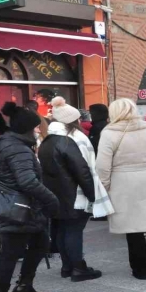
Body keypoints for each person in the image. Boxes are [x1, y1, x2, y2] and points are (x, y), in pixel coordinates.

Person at [0, 107, 59, 292]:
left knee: (41, 242)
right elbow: (27, 182)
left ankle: (24, 285)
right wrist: (51, 200)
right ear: (27, 128)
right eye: (36, 127)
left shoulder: (8, 143)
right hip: (18, 208)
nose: (38, 130)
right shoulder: (17, 149)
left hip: (21, 206)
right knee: (10, 252)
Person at [97, 99, 146, 280]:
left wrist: (104, 188)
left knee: (133, 229)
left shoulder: (109, 134)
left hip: (123, 183)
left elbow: (102, 166)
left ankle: (140, 270)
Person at [39, 97, 103, 282]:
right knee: (73, 230)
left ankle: (67, 266)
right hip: (73, 194)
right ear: (73, 121)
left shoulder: (48, 141)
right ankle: (78, 267)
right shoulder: (72, 140)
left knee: (61, 230)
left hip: (55, 194)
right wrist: (92, 194)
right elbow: (82, 170)